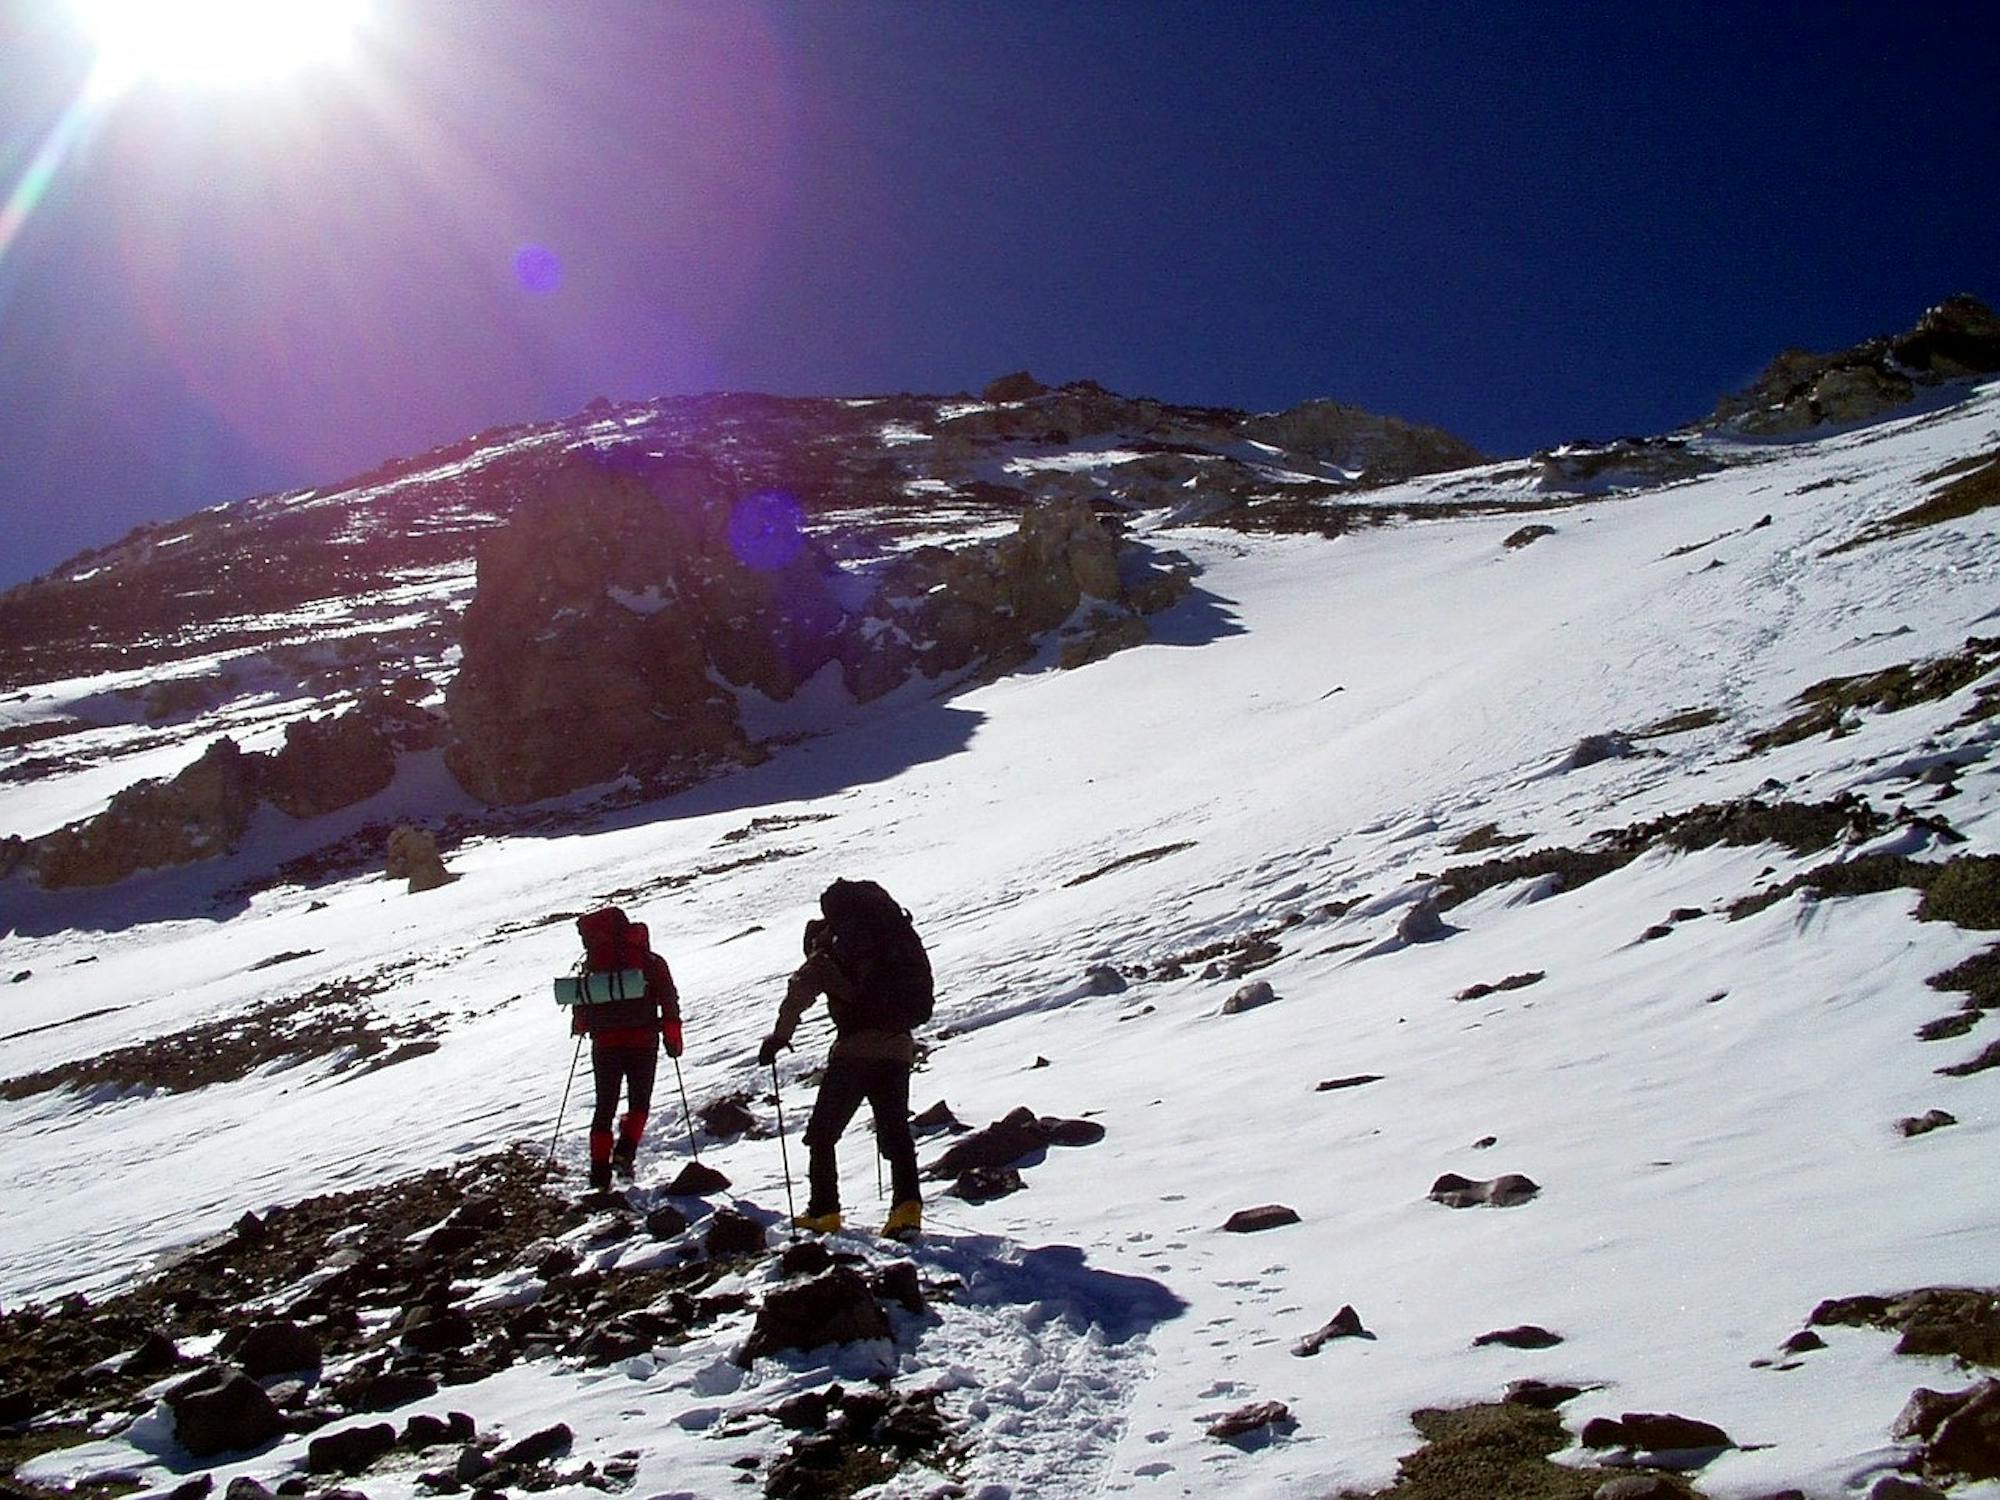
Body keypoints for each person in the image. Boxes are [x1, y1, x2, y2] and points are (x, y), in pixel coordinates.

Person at [758, 880, 929, 1238]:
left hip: (855, 1052)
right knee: (895, 1129)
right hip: (899, 1048)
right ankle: (907, 1210)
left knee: (822, 1133)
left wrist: (778, 1038)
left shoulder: (828, 952)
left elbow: (798, 994)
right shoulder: (889, 939)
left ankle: (824, 1211)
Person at [570, 905, 682, 1193]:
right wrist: (673, 1038)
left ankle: (598, 1173)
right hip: (643, 1041)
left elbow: (581, 1004)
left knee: (604, 1106)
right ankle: (625, 1153)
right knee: (639, 1101)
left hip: (605, 1044)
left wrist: (583, 1026)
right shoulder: (650, 961)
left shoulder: (593, 964)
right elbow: (668, 999)